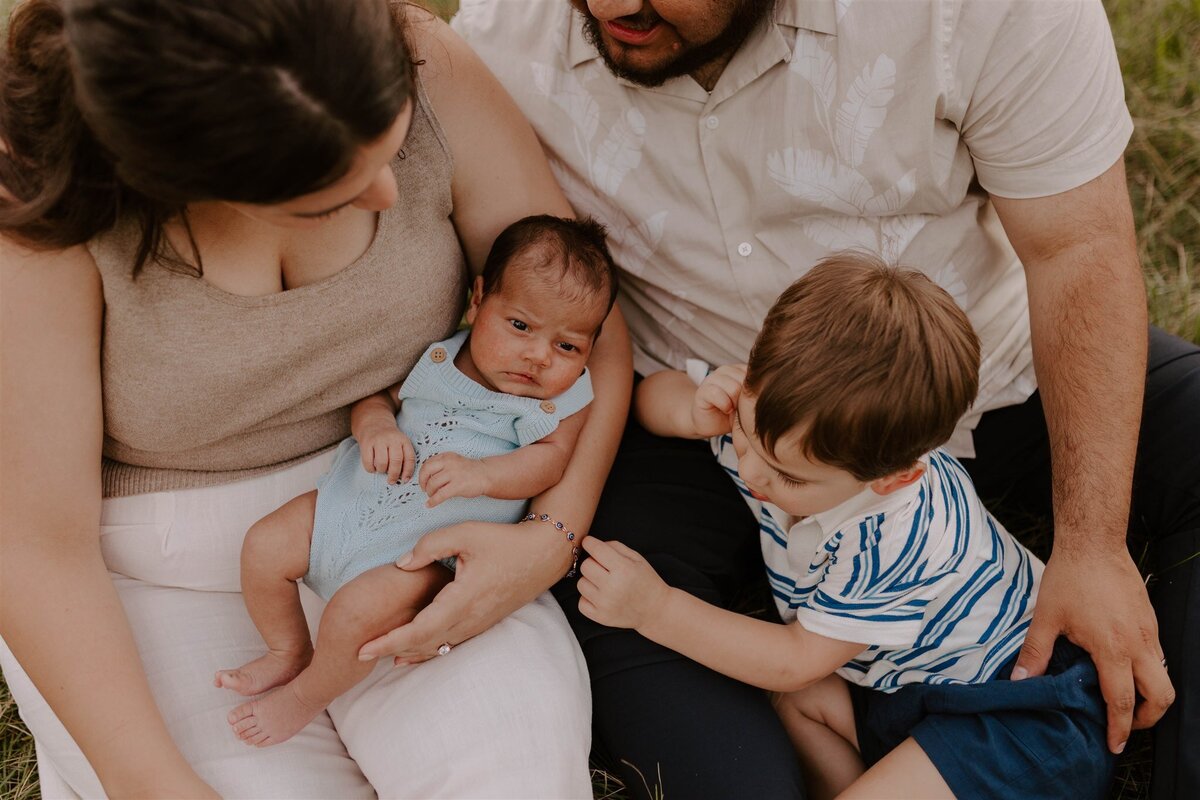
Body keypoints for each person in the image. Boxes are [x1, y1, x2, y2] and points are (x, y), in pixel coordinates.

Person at [450, 1, 1195, 797]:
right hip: (724, 419)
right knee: (613, 606)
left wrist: (1091, 541)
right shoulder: (494, 42)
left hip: (1012, 373)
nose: (609, 6)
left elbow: (1079, 247)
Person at [0, 1, 631, 798]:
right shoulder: (45, 203)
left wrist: (550, 536)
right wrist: (149, 780)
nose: (387, 194)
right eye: (326, 199)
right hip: (165, 580)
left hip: (421, 526)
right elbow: (32, 545)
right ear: (178, 177)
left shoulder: (423, 61)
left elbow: (588, 329)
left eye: (393, 143)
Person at [581, 253, 1114, 799]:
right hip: (905, 694)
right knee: (798, 701)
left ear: (889, 477)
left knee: (795, 679)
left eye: (788, 477)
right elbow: (649, 402)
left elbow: (794, 659)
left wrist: (656, 609)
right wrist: (692, 410)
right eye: (743, 428)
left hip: (1014, 711)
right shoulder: (781, 419)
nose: (750, 469)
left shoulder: (897, 532)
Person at [215, 215, 616, 747]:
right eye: (520, 326)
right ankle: (287, 651)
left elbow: (549, 462)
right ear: (477, 303)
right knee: (264, 545)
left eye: (568, 346)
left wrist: (482, 475)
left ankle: (306, 695)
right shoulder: (441, 356)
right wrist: (377, 424)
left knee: (355, 615)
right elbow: (378, 400)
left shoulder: (558, 403)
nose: (539, 355)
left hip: (422, 555)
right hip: (353, 502)